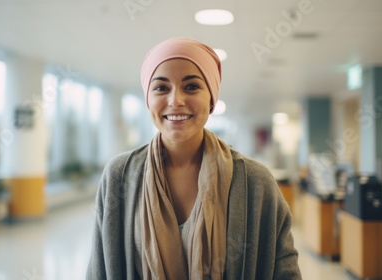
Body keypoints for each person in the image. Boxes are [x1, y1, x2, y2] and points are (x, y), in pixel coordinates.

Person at [87, 37, 301, 279]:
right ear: (148, 99)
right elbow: (99, 269)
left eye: (191, 87)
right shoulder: (120, 176)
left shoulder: (255, 182)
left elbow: (284, 270)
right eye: (161, 87)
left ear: (211, 99)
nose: (175, 100)